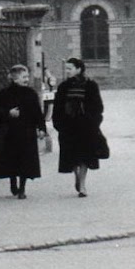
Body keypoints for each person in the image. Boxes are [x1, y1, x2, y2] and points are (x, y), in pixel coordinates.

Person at [51, 57, 107, 197]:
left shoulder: (90, 85)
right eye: (67, 68)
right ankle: (76, 176)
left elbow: (98, 106)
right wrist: (58, 124)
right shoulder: (64, 86)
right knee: (71, 156)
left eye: (70, 68)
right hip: (68, 126)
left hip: (86, 126)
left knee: (85, 156)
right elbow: (58, 107)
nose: (67, 71)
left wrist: (94, 121)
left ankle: (82, 184)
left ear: (79, 69)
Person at [0, 64, 46, 198]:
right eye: (23, 77)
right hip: (9, 132)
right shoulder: (4, 94)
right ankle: (13, 182)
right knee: (11, 159)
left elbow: (38, 113)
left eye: (27, 77)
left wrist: (41, 128)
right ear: (14, 79)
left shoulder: (31, 93)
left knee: (25, 161)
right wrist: (8, 113)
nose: (27, 80)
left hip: (27, 132)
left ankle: (22, 189)